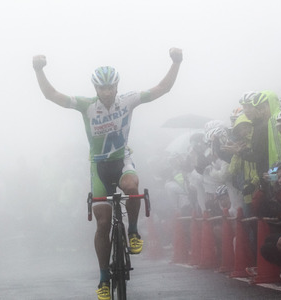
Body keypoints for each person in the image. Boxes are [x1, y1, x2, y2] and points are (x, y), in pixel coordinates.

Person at [32, 48, 183, 299]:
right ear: (95, 89)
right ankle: (103, 279)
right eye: (102, 88)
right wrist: (39, 70)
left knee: (132, 186)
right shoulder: (87, 106)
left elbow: (161, 89)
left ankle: (133, 230)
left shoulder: (128, 100)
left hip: (122, 159)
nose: (107, 92)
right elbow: (52, 95)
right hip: (99, 166)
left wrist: (176, 63)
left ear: (116, 86)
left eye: (110, 87)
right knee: (103, 222)